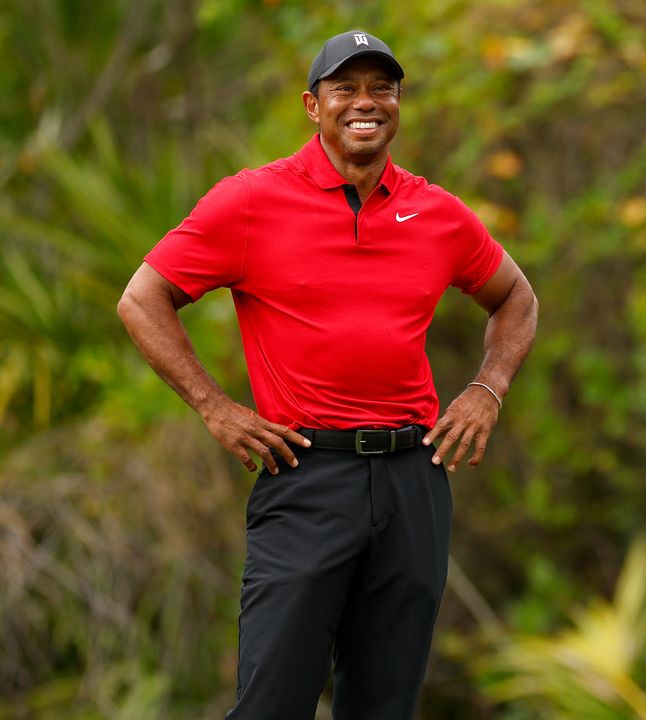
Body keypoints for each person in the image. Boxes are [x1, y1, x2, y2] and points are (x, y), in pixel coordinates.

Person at [117, 30, 537, 720]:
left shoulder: (437, 212)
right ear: (313, 106)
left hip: (414, 481)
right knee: (272, 702)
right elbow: (141, 298)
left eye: (382, 88)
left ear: (398, 102)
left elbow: (517, 298)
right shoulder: (250, 200)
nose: (365, 103)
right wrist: (216, 408)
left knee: (384, 705)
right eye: (345, 88)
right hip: (308, 475)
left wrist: (486, 390)